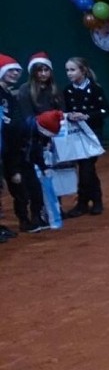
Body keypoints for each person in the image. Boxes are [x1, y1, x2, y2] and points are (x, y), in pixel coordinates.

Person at [15, 52, 64, 232]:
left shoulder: (55, 89)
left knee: (55, 177)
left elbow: (61, 113)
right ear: (33, 72)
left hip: (53, 140)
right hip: (32, 142)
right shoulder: (24, 90)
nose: (43, 74)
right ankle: (36, 214)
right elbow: (28, 118)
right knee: (35, 180)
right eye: (39, 70)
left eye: (46, 70)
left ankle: (54, 209)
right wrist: (45, 125)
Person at [63, 57, 109, 217]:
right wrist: (70, 115)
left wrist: (87, 116)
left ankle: (86, 202)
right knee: (86, 168)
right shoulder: (68, 91)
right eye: (67, 70)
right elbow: (65, 110)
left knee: (86, 169)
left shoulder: (95, 89)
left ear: (83, 71)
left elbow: (106, 110)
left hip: (92, 134)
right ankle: (94, 201)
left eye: (72, 70)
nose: (69, 73)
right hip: (76, 135)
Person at [0, 54, 25, 241]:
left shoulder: (9, 93)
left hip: (8, 148)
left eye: (17, 70)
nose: (15, 73)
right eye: (11, 70)